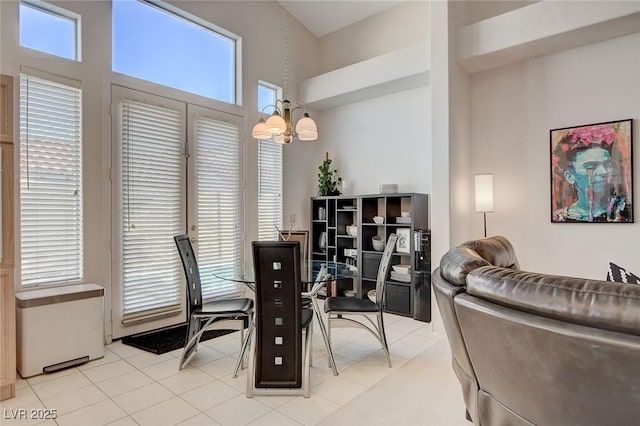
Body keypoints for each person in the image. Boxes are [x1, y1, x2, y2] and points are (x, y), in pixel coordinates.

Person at [551, 123, 630, 222]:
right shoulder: (559, 218)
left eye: (607, 164)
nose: (603, 172)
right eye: (591, 166)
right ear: (570, 176)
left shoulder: (626, 210)